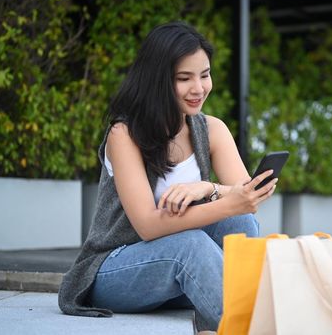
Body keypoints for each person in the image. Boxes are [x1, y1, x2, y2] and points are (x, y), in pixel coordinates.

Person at [58, 22, 277, 332]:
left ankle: (223, 318)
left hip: (168, 281)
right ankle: (251, 327)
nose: (199, 88)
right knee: (190, 244)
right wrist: (230, 200)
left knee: (240, 224)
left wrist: (208, 187)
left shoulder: (211, 130)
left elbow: (247, 197)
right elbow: (147, 225)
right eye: (184, 78)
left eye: (205, 75)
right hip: (113, 269)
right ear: (157, 81)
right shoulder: (125, 134)